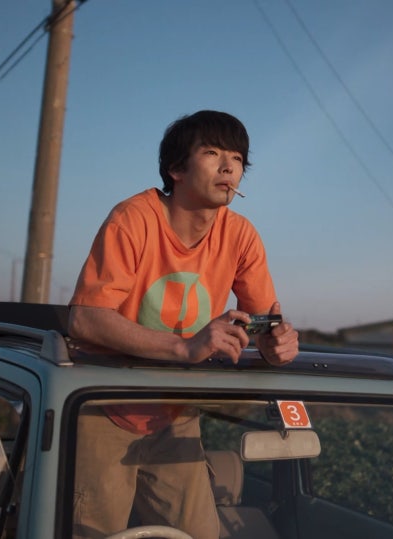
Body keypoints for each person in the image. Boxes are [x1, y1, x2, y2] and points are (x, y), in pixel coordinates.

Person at [68, 110, 299, 539]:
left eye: (237, 159)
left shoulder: (241, 235)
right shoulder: (133, 218)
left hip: (175, 412)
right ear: (176, 168)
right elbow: (85, 317)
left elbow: (266, 323)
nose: (229, 167)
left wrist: (277, 344)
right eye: (212, 153)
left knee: (198, 534)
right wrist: (186, 347)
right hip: (104, 407)